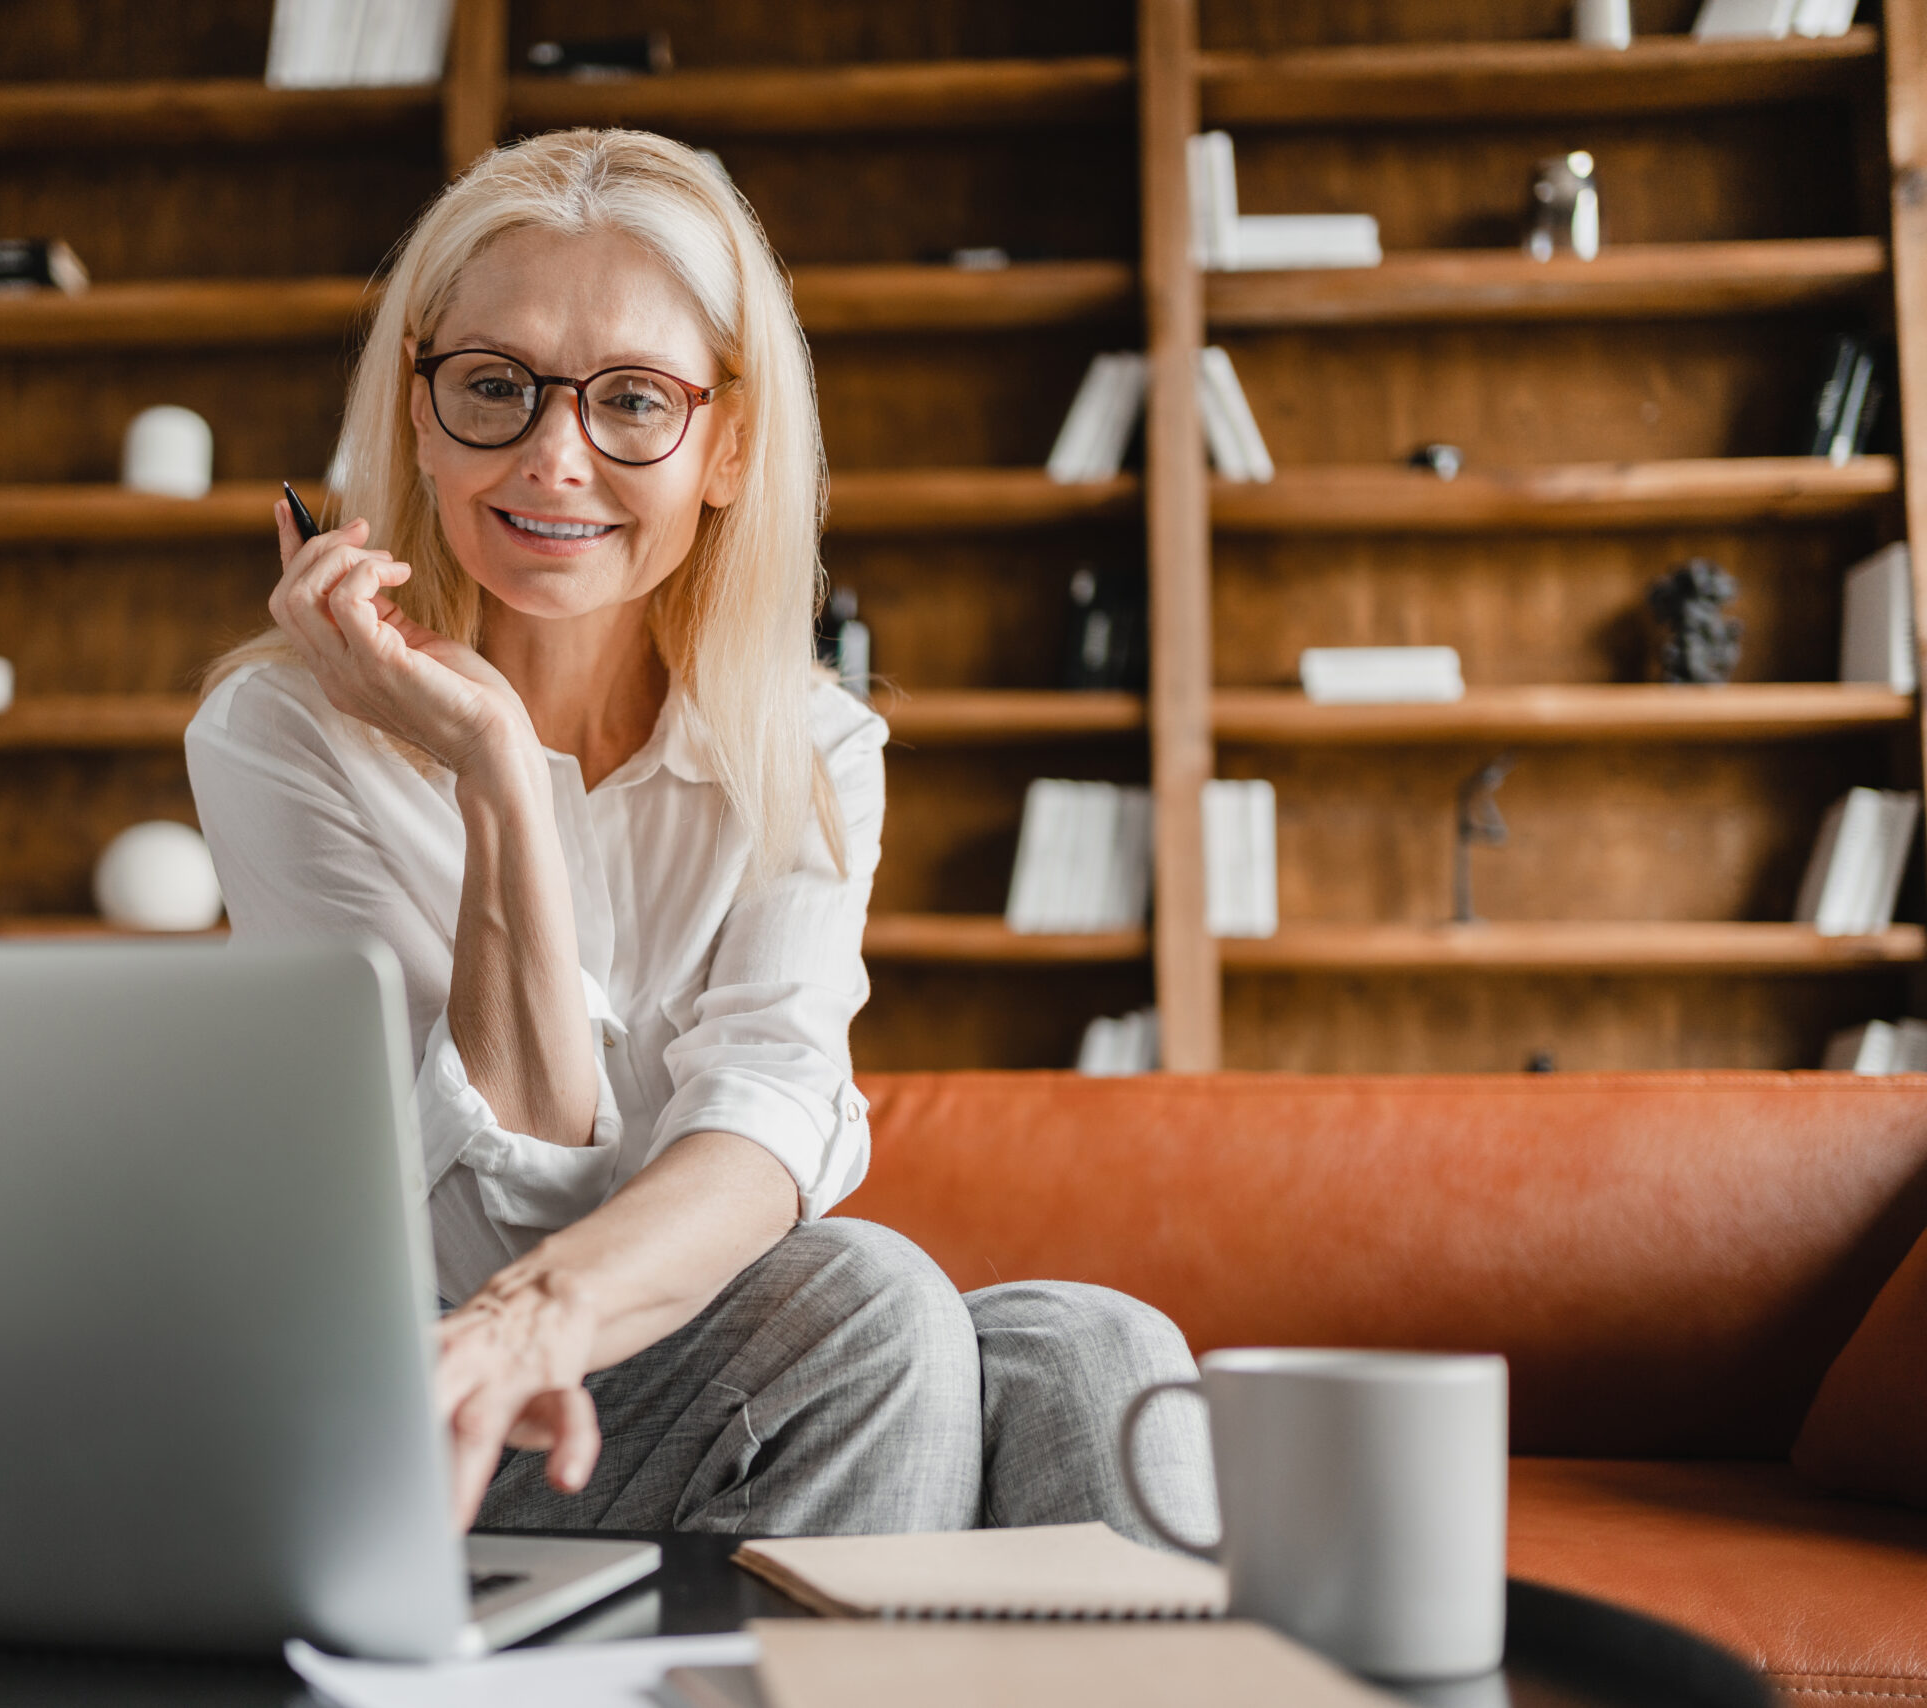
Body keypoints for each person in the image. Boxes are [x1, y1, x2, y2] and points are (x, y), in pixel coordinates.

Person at [186, 129, 1214, 1541]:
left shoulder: (809, 749)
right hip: (423, 1386)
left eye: (633, 402)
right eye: (494, 386)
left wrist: (548, 1313)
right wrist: (494, 766)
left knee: (1098, 1348)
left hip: (660, 1350)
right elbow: (514, 1195)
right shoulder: (280, 739)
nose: (556, 459)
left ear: (728, 442)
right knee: (865, 1308)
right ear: (421, 409)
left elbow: (765, 1123)